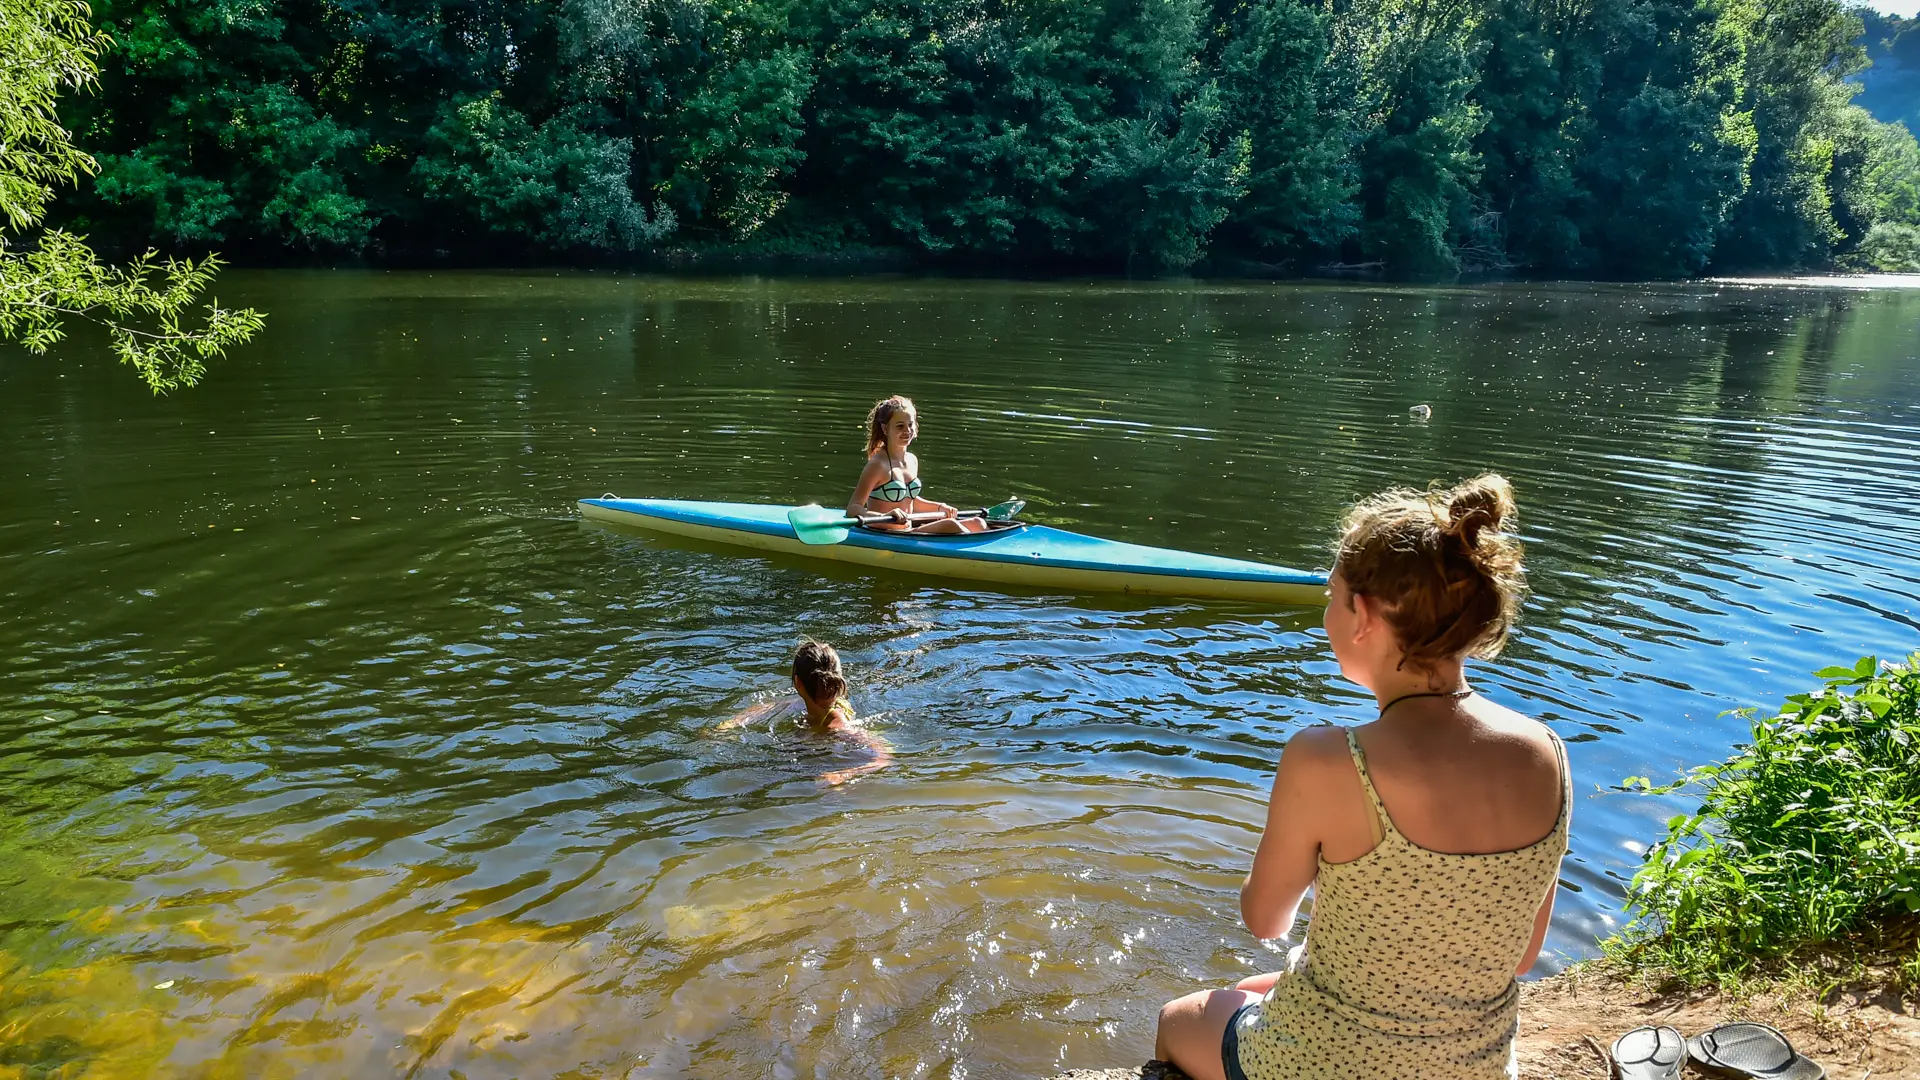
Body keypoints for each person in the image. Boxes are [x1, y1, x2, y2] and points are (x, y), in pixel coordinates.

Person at [1155, 474, 1570, 1080]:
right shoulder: (1547, 751)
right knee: (1254, 986)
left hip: (1329, 1065)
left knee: (1177, 1018)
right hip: (1473, 1068)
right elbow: (1523, 955)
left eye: (1332, 596)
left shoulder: (1326, 758)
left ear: (1365, 615)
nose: (1325, 614)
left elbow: (1266, 920)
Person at [715, 640, 894, 786]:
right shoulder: (805, 704)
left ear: (798, 683)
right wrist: (732, 722)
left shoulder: (838, 725)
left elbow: (883, 758)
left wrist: (842, 775)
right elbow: (772, 707)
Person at [846, 395, 986, 534]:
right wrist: (883, 516)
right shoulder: (877, 464)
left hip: (909, 530)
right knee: (950, 525)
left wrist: (940, 507)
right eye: (900, 426)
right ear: (885, 428)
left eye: (910, 424)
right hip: (888, 533)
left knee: (978, 523)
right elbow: (853, 508)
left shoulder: (912, 460)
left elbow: (910, 500)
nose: (907, 431)